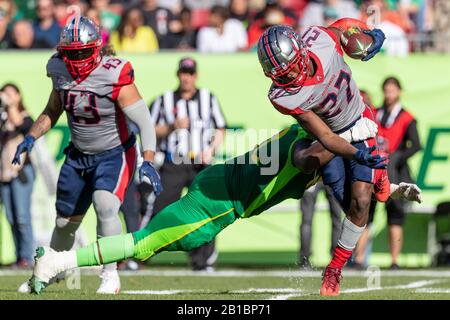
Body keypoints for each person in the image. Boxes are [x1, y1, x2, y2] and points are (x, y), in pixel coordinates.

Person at [27, 124, 422, 294]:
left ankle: (55, 264)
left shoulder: (312, 131)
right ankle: (58, 263)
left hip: (216, 178)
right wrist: (351, 142)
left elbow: (347, 185)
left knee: (142, 242)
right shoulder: (317, 150)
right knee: (141, 243)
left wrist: (394, 190)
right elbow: (308, 160)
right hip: (219, 206)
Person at [12, 16, 162, 294]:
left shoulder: (114, 72)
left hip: (114, 153)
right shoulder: (58, 68)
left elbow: (144, 121)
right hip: (78, 155)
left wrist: (149, 159)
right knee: (64, 223)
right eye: (72, 53)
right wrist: (31, 136)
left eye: (83, 51)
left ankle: (110, 274)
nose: (78, 58)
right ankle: (52, 269)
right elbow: (52, 110)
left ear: (97, 47)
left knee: (105, 206)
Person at [257, 20, 387, 296]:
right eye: (280, 73)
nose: (288, 75)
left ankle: (335, 268)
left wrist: (367, 34)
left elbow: (343, 27)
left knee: (362, 201)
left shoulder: (320, 40)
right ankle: (381, 177)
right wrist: (356, 152)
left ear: (302, 50)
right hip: (334, 134)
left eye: (290, 65)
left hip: (359, 118)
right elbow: (327, 138)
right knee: (320, 176)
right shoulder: (283, 95)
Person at [149, 57, 226, 272]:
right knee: (161, 209)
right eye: (183, 72)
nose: (186, 77)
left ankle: (203, 261)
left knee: (205, 212)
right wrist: (172, 126)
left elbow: (221, 128)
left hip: (200, 163)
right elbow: (149, 129)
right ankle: (141, 254)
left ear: (196, 76)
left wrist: (211, 149)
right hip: (173, 162)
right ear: (178, 74)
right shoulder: (164, 100)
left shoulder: (208, 98)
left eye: (190, 73)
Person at [365, 76, 422, 269]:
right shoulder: (375, 113)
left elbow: (416, 145)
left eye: (392, 90)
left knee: (395, 216)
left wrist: (397, 157)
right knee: (365, 213)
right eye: (386, 90)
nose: (389, 94)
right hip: (374, 170)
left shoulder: (407, 118)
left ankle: (394, 261)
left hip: (395, 173)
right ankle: (357, 259)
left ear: (399, 92)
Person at [0, 83, 35, 268]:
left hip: (21, 172)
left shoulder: (25, 116)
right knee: (11, 217)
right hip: (4, 173)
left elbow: (22, 127)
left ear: (18, 96)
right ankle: (19, 256)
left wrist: (11, 105)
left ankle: (28, 257)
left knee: (22, 216)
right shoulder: (3, 117)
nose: (5, 96)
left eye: (10, 93)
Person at [299, 181, 342, 270]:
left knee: (306, 221)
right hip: (331, 174)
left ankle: (304, 261)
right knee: (337, 221)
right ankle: (336, 261)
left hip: (312, 174)